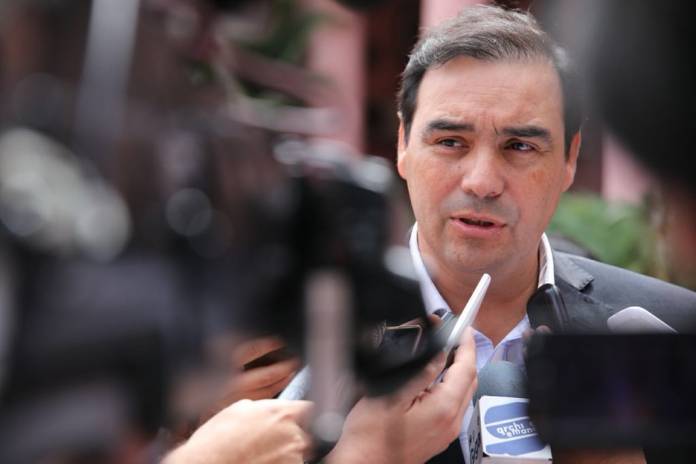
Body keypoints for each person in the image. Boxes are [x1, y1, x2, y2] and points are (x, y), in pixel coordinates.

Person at [324, 5, 696, 464]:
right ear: (403, 144)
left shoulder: (669, 330)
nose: (482, 182)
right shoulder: (303, 341)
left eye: (519, 146)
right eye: (450, 142)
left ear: (569, 159)